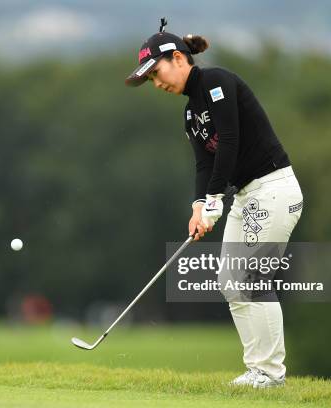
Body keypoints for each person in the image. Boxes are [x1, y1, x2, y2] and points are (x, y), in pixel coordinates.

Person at [125, 19, 303, 388]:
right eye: (150, 80)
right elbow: (205, 163)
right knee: (230, 279)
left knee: (251, 278)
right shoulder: (191, 113)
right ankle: (259, 370)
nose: (157, 84)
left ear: (178, 58)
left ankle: (271, 374)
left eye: (156, 73)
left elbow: (230, 141)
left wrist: (214, 199)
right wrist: (198, 206)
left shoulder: (217, 82)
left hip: (273, 188)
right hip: (246, 195)